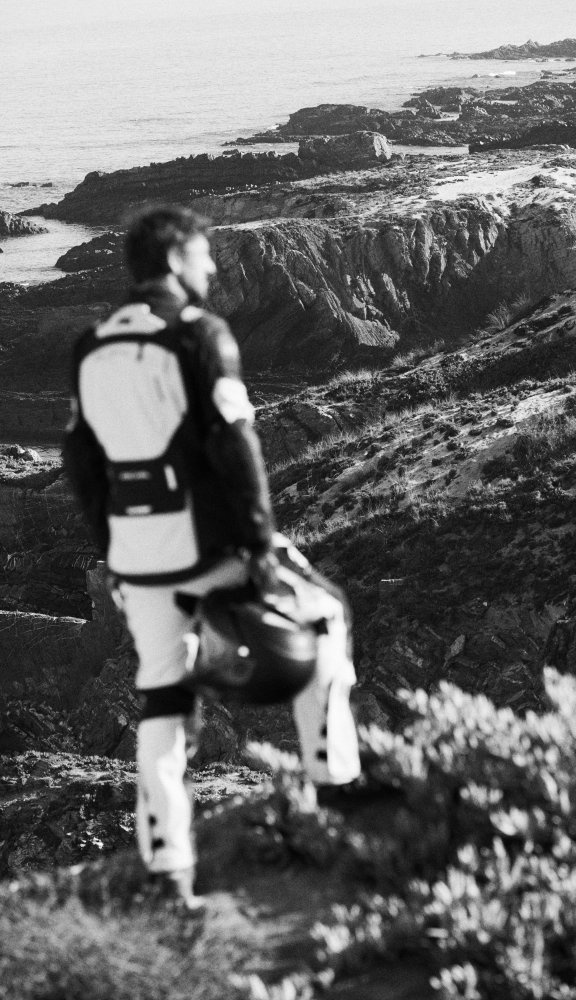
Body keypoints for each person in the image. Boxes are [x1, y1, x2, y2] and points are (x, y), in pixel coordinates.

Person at [63, 205, 360, 907]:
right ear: (173, 261)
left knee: (164, 699)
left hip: (138, 558)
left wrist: (114, 554)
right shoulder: (200, 334)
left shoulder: (92, 345)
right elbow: (236, 445)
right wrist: (259, 547)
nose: (212, 268)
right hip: (208, 545)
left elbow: (82, 464)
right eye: (203, 256)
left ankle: (168, 865)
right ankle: (335, 786)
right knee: (324, 615)